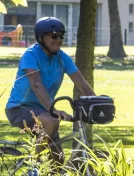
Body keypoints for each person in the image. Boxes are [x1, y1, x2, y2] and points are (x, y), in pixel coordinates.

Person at [5, 17, 94, 162]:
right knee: (52, 122)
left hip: (44, 111)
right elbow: (36, 85)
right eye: (53, 35)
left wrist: (97, 103)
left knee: (57, 160)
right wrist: (54, 110)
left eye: (60, 36)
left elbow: (81, 82)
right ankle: (34, 167)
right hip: (19, 108)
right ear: (41, 38)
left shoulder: (62, 58)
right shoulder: (31, 55)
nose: (58, 39)